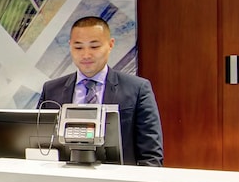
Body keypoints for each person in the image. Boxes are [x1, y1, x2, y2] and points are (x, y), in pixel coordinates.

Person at [38, 16, 163, 166]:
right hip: (63, 177)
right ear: (70, 46)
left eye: (94, 46)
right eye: (78, 47)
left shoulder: (137, 89)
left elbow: (151, 156)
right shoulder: (51, 90)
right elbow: (38, 147)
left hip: (118, 178)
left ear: (110, 45)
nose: (86, 55)